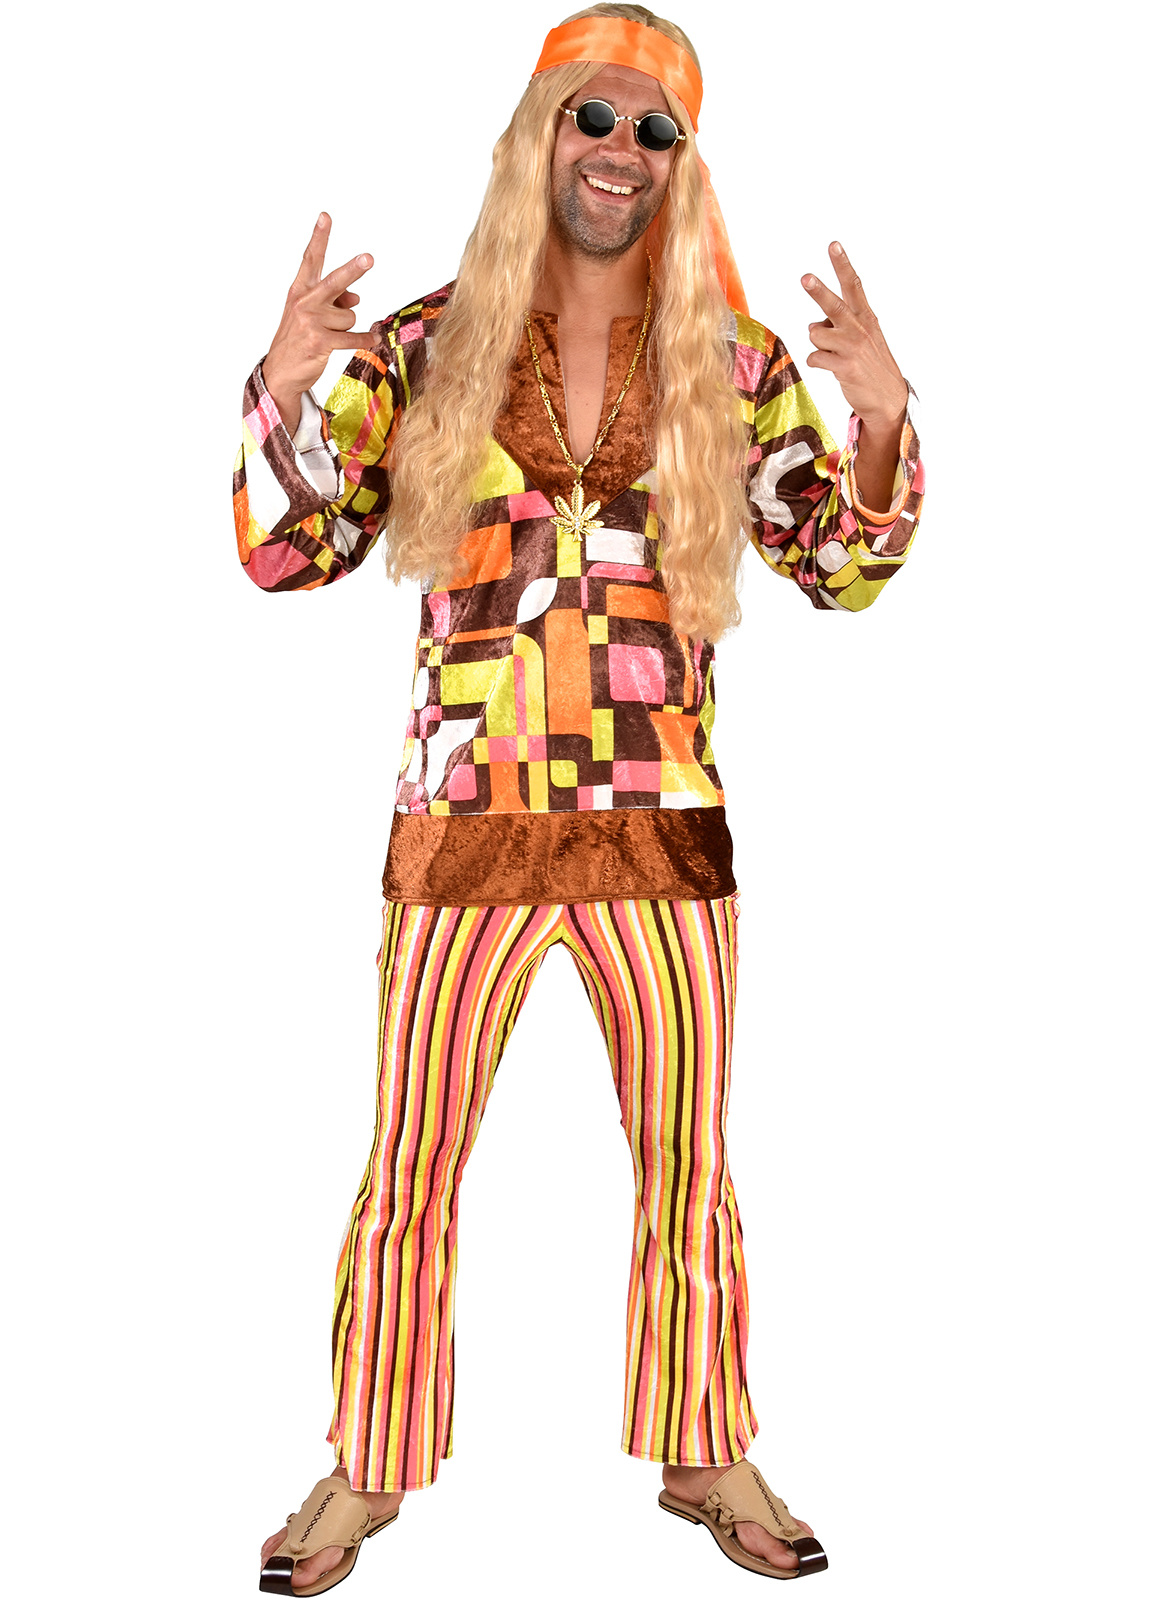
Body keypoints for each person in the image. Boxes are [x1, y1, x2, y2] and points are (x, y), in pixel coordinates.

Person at [237, 5, 924, 1589]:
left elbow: (842, 568)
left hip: (660, 826)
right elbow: (289, 554)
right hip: (464, 827)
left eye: (653, 130)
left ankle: (706, 1448)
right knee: (409, 1169)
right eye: (591, 118)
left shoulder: (737, 367)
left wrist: (884, 415)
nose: (619, 150)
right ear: (536, 134)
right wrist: (282, 386)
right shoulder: (420, 345)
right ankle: (369, 1461)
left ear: (684, 164)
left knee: (690, 1167)